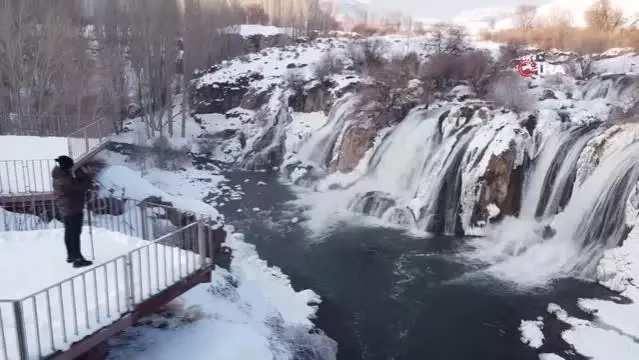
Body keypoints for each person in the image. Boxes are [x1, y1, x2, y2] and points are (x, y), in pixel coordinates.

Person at [51, 155, 94, 268]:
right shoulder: (65, 178)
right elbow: (80, 187)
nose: (72, 169)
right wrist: (89, 175)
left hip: (65, 208)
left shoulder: (59, 175)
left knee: (69, 232)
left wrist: (83, 175)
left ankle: (71, 255)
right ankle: (77, 259)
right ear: (67, 167)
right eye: (71, 167)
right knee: (75, 234)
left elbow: (75, 184)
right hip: (73, 208)